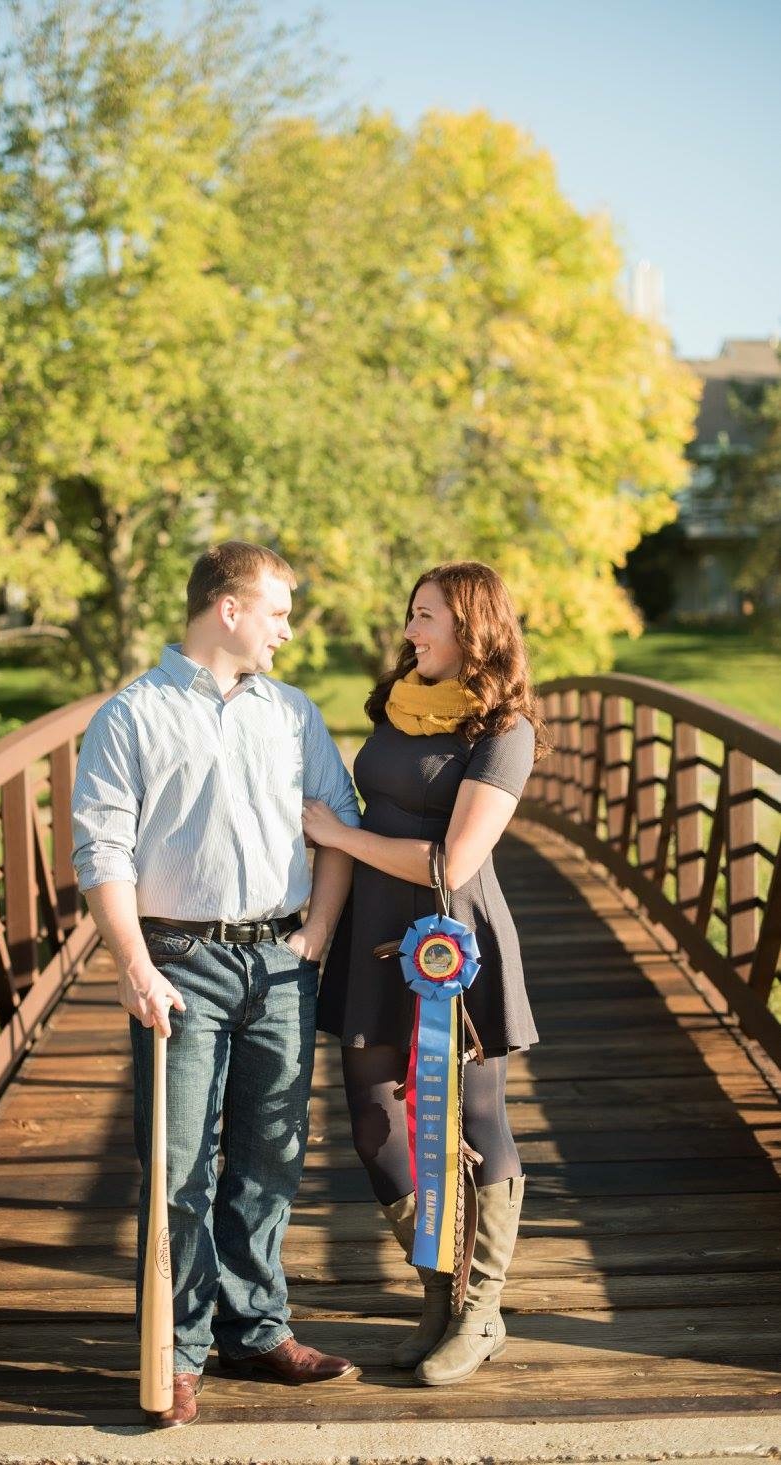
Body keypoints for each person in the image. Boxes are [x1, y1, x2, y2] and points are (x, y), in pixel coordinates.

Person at [71, 541, 360, 1428]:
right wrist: (133, 961)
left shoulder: (294, 712)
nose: (287, 628)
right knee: (180, 1167)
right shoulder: (131, 715)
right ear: (228, 609)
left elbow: (338, 828)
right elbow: (102, 851)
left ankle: (256, 1327)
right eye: (277, 610)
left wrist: (315, 934)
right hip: (179, 964)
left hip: (280, 964)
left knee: (271, 1157)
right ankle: (177, 1348)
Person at [303, 561, 549, 1387]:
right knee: (372, 1117)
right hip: (373, 932)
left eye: (428, 616)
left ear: (473, 626)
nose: (411, 631)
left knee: (477, 1120)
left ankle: (482, 1310)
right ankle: (438, 1293)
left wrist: (339, 836)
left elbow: (454, 859)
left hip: (454, 939)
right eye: (411, 613)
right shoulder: (397, 702)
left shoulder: (505, 732)